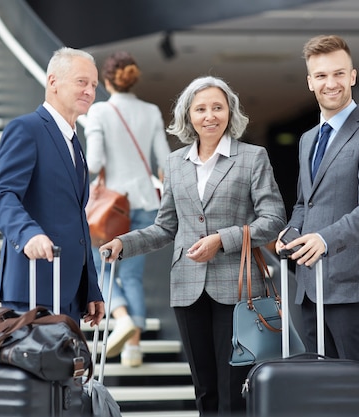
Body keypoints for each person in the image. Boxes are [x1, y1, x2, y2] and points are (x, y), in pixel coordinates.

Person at [100, 75, 286, 415]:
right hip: (187, 287)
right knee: (204, 390)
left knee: (234, 389)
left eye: (217, 107)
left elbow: (273, 220)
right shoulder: (175, 163)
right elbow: (165, 227)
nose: (209, 116)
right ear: (188, 116)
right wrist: (123, 244)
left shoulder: (252, 157)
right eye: (200, 109)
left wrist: (222, 240)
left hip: (238, 289)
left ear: (230, 112)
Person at [275, 34, 359, 417]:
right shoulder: (310, 138)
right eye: (322, 75)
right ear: (310, 81)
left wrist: (325, 240)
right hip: (310, 288)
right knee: (322, 392)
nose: (331, 83)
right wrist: (291, 233)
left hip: (354, 286)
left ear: (353, 76)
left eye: (339, 74)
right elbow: (303, 204)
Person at [0, 47, 104, 327]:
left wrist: (90, 286)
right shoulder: (26, 129)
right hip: (33, 286)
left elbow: (76, 219)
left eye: (94, 85)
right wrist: (28, 235)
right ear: (53, 82)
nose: (89, 91)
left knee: (65, 373)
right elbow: (2, 195)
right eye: (81, 82)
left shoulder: (75, 142)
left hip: (69, 293)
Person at [83, 51, 171, 367]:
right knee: (132, 276)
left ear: (107, 81)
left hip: (111, 206)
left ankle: (121, 318)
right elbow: (163, 159)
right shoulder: (150, 111)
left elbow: (93, 163)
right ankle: (133, 347)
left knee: (99, 266)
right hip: (147, 202)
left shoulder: (99, 112)